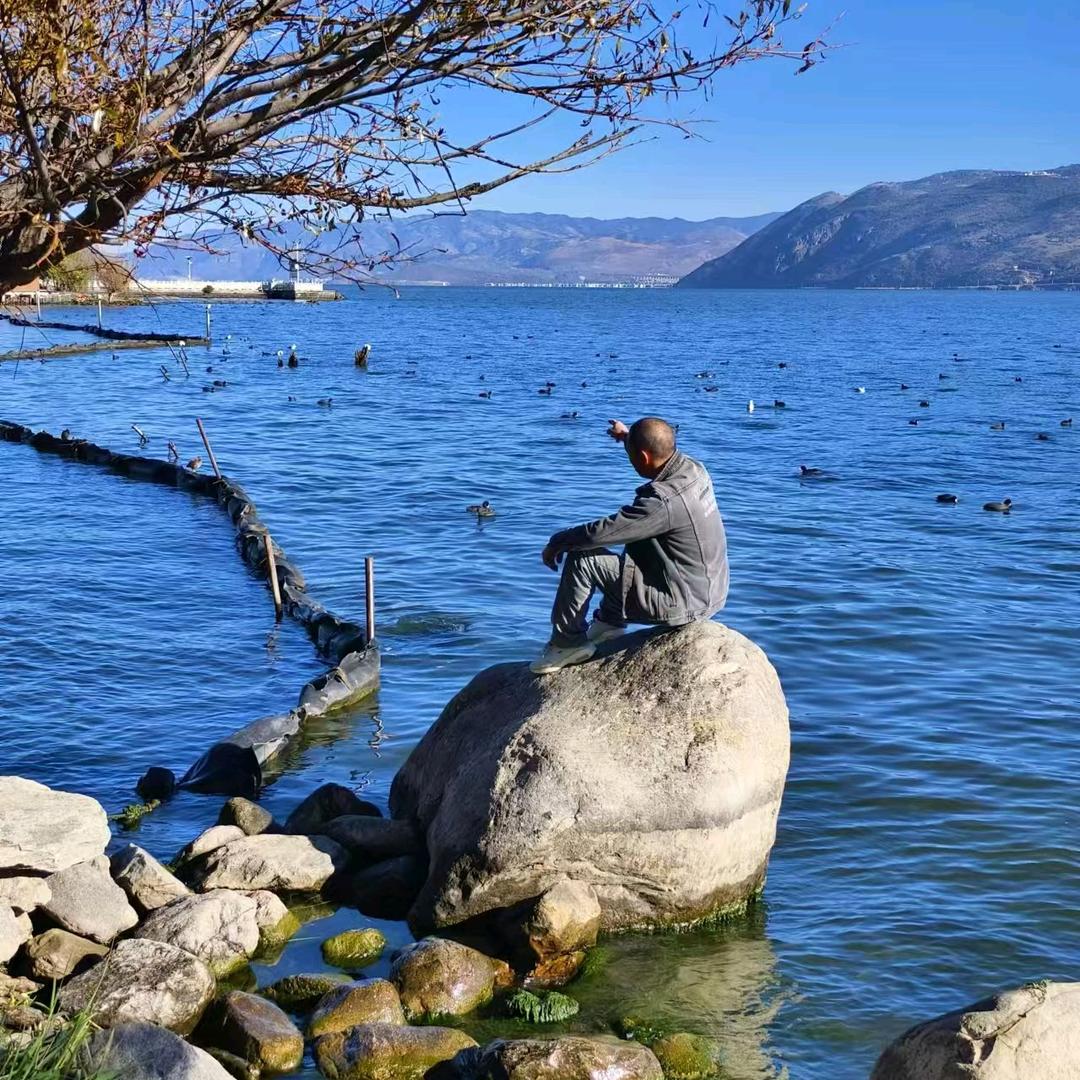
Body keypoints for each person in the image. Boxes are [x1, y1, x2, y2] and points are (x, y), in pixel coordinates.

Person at [532, 416, 729, 674]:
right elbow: (653, 446)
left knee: (584, 559)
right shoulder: (693, 468)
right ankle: (610, 622)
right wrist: (627, 438)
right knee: (640, 540)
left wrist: (558, 541)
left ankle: (567, 644)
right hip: (709, 591)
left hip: (683, 602)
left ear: (644, 458)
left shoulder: (662, 503)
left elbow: (601, 533)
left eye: (631, 454)